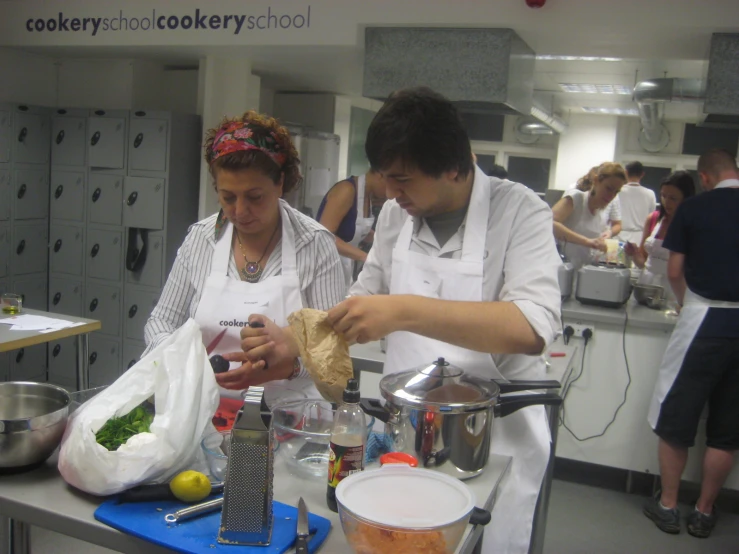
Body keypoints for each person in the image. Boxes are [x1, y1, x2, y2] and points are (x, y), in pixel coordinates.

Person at [237, 87, 562, 554]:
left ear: (453, 166)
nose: (392, 193)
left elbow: (530, 329)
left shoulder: (519, 212)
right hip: (406, 434)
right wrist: (298, 339)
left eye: (403, 180)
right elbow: (366, 295)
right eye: (386, 179)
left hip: (490, 444)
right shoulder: (396, 215)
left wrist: (404, 310)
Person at [142, 111, 345, 399]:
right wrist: (182, 360)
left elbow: (332, 350)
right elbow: (161, 320)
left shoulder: (314, 244)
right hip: (203, 410)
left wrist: (286, 368)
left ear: (280, 183)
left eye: (254, 197)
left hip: (289, 415)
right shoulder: (201, 239)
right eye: (228, 197)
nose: (240, 211)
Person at [644, 148, 739, 539]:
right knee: (726, 429)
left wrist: (686, 304)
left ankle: (667, 505)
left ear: (705, 177)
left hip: (703, 321)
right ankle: (703, 511)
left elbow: (675, 269)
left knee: (677, 420)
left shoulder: (695, 209)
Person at [625, 171, 695, 301]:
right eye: (663, 196)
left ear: (686, 199)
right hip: (647, 285)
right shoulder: (654, 219)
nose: (666, 202)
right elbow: (643, 263)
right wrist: (634, 254)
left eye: (673, 198)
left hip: (674, 290)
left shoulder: (692, 226)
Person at [315, 169, 387, 288]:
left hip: (344, 264)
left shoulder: (367, 196)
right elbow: (324, 237)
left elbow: (356, 230)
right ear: (380, 175)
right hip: (323, 265)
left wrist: (386, 242)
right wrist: (366, 257)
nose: (391, 193)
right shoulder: (346, 190)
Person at [552, 162, 625, 268]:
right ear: (596, 181)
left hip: (582, 273)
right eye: (608, 188)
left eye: (616, 192)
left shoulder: (600, 214)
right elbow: (551, 223)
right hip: (562, 269)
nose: (611, 196)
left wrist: (605, 247)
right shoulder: (576, 198)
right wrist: (587, 241)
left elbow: (592, 249)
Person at [618, 161, 657, 244]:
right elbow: (652, 218)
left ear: (626, 173)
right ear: (642, 174)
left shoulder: (618, 191)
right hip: (640, 238)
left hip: (619, 236)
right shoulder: (650, 193)